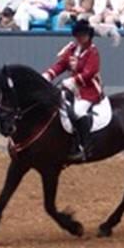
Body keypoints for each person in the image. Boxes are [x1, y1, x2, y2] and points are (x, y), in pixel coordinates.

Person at [42, 20, 103, 161]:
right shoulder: (71, 49)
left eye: (84, 35)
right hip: (71, 88)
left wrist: (73, 80)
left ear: (89, 36)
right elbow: (61, 65)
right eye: (79, 35)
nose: (81, 38)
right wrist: (48, 75)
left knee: (79, 112)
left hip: (88, 89)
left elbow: (89, 72)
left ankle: (85, 147)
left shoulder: (92, 52)